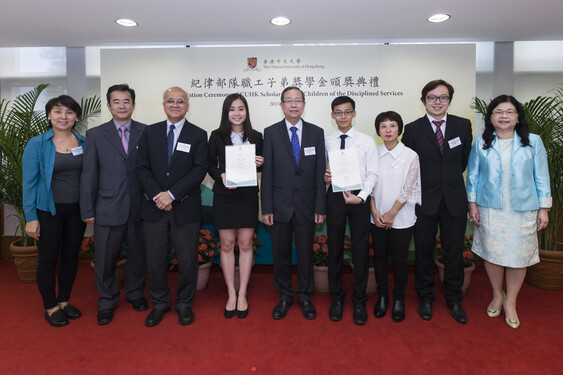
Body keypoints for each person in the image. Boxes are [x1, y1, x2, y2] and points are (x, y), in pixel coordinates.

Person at [467, 95, 551, 329]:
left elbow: (541, 176)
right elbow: (473, 176)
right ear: (491, 117)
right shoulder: (480, 142)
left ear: (517, 116)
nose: (503, 116)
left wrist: (544, 208)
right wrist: (472, 205)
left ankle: (511, 301)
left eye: (509, 112)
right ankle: (497, 295)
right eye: (498, 112)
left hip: (523, 209)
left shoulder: (533, 141)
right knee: (493, 254)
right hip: (490, 208)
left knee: (517, 257)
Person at [401, 79, 472, 324]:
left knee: (454, 251)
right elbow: (409, 165)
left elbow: (463, 161)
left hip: (454, 199)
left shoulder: (463, 126)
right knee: (423, 251)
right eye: (432, 97)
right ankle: (425, 297)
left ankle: (453, 297)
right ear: (424, 101)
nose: (437, 101)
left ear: (449, 101)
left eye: (443, 97)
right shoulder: (412, 129)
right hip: (424, 200)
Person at [136, 87, 208, 327]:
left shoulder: (198, 134)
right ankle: (159, 303)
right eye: (170, 101)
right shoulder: (150, 132)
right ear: (163, 104)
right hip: (154, 207)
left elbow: (199, 170)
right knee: (155, 259)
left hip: (185, 207)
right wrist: (159, 195)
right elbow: (142, 167)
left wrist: (172, 195)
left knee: (187, 260)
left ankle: (184, 303)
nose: (175, 105)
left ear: (188, 106)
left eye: (180, 101)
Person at [80, 84, 148, 325]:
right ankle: (107, 300)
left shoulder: (146, 131)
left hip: (140, 206)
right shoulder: (96, 135)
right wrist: (87, 210)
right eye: (116, 102)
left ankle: (136, 293)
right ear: (109, 106)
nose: (122, 106)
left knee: (139, 256)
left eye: (126, 101)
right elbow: (89, 174)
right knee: (105, 258)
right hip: (107, 207)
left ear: (133, 104)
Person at [261, 86, 326, 320]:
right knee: (281, 254)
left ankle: (305, 296)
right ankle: (285, 295)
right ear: (281, 105)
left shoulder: (316, 133)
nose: (293, 104)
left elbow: (320, 172)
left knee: (306, 254)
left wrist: (320, 206)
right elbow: (266, 174)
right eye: (288, 101)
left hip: (307, 205)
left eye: (298, 100)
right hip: (279, 206)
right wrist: (266, 207)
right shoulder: (270, 133)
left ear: (304, 104)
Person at [23, 95, 86, 327]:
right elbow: (28, 183)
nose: (63, 117)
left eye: (69, 112)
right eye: (58, 112)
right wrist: (31, 218)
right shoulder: (37, 144)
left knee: (71, 257)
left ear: (76, 117)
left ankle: (64, 301)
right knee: (48, 259)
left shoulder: (84, 142)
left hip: (76, 211)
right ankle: (50, 306)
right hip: (47, 211)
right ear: (49, 115)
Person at [208, 93, 264, 319]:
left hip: (248, 196)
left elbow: (261, 166)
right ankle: (231, 292)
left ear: (246, 112)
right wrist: (220, 174)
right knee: (227, 244)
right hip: (225, 196)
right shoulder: (216, 136)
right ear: (226, 112)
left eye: (241, 108)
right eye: (232, 109)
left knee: (245, 243)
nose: (237, 113)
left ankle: (243, 294)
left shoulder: (257, 136)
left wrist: (260, 162)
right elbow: (210, 164)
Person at [324, 96, 379, 325]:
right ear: (333, 115)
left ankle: (359, 299)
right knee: (334, 249)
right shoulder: (326, 141)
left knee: (360, 251)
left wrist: (362, 197)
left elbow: (373, 173)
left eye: (347, 112)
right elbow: (319, 170)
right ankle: (336, 298)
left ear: (354, 114)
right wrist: (324, 176)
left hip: (359, 197)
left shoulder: (366, 141)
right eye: (339, 112)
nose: (343, 116)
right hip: (335, 196)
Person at [370, 111, 421, 322]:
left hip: (401, 217)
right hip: (377, 217)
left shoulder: (410, 155)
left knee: (400, 260)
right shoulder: (373, 153)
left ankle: (399, 298)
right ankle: (383, 296)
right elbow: (368, 186)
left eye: (392, 126)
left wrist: (392, 213)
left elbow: (409, 188)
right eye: (383, 126)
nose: (388, 130)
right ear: (378, 131)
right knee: (379, 258)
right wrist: (374, 211)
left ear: (399, 129)